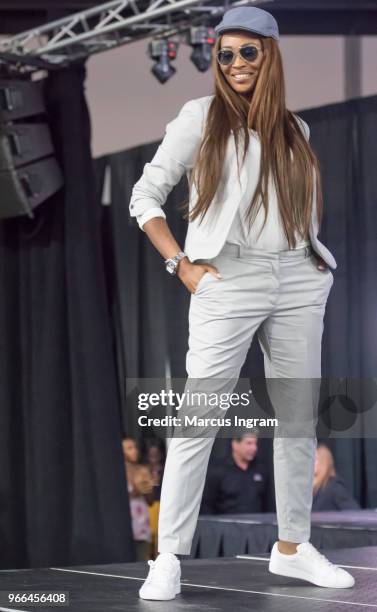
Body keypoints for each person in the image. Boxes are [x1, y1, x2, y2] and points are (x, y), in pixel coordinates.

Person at [129, 5, 355, 600]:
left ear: (269, 55)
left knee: (299, 417)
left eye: (245, 53)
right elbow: (145, 196)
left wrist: (310, 264)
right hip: (226, 277)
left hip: (298, 277)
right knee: (199, 416)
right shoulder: (200, 118)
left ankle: (292, 547)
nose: (232, 64)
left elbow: (298, 214)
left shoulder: (295, 130)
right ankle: (169, 556)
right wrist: (182, 266)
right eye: (224, 54)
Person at [200, 432, 270, 514]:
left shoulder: (261, 470)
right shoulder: (218, 471)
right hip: (225, 525)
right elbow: (207, 505)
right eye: (249, 443)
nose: (254, 448)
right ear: (235, 444)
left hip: (257, 524)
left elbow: (267, 503)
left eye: (255, 444)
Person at [122, 437, 154, 561]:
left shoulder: (142, 470)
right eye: (129, 448)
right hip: (123, 524)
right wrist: (136, 489)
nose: (134, 451)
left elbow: (150, 501)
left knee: (142, 561)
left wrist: (148, 489)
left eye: (135, 447)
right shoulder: (115, 471)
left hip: (141, 525)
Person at [312, 444, 360, 511]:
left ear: (324, 462)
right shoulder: (310, 489)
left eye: (315, 459)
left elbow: (354, 513)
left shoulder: (334, 487)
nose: (311, 463)